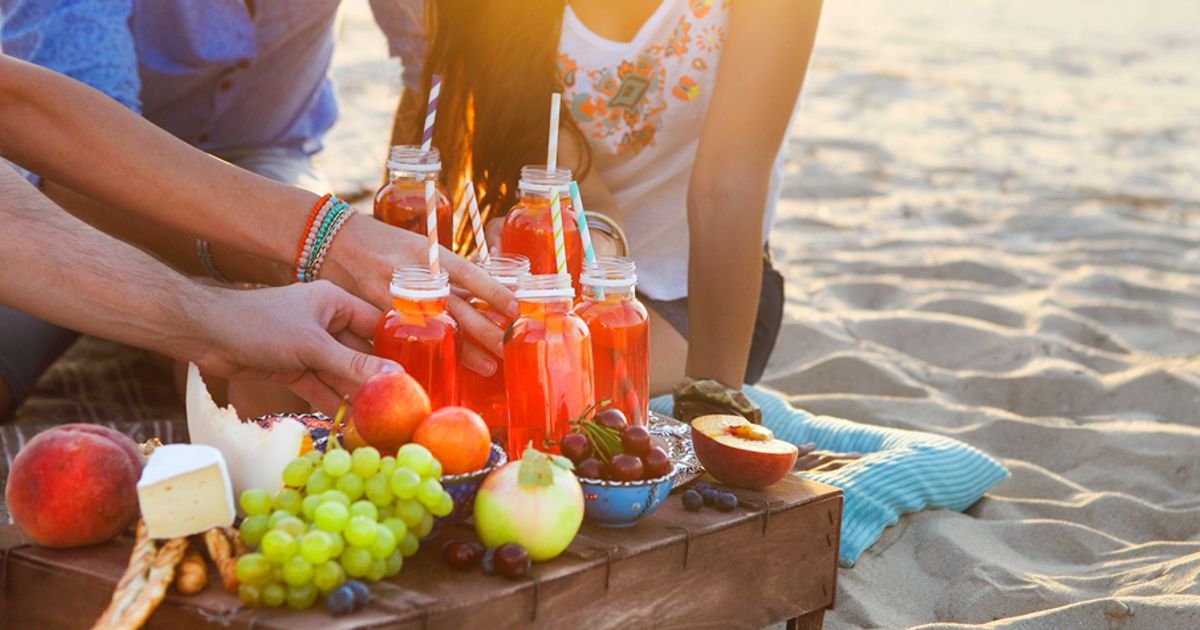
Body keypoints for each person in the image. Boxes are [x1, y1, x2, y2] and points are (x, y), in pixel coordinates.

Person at [0, 54, 514, 416]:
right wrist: (313, 245)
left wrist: (327, 243)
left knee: (285, 332)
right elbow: (60, 160)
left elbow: (17, 107)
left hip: (260, 166)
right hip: (64, 188)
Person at [422, 0, 822, 420]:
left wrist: (714, 406)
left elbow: (725, 188)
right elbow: (585, 195)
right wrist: (590, 251)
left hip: (702, 299)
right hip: (578, 285)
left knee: (539, 390)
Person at [0, 161, 398, 415]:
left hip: (259, 163)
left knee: (281, 339)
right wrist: (219, 307)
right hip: (86, 179)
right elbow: (65, 161)